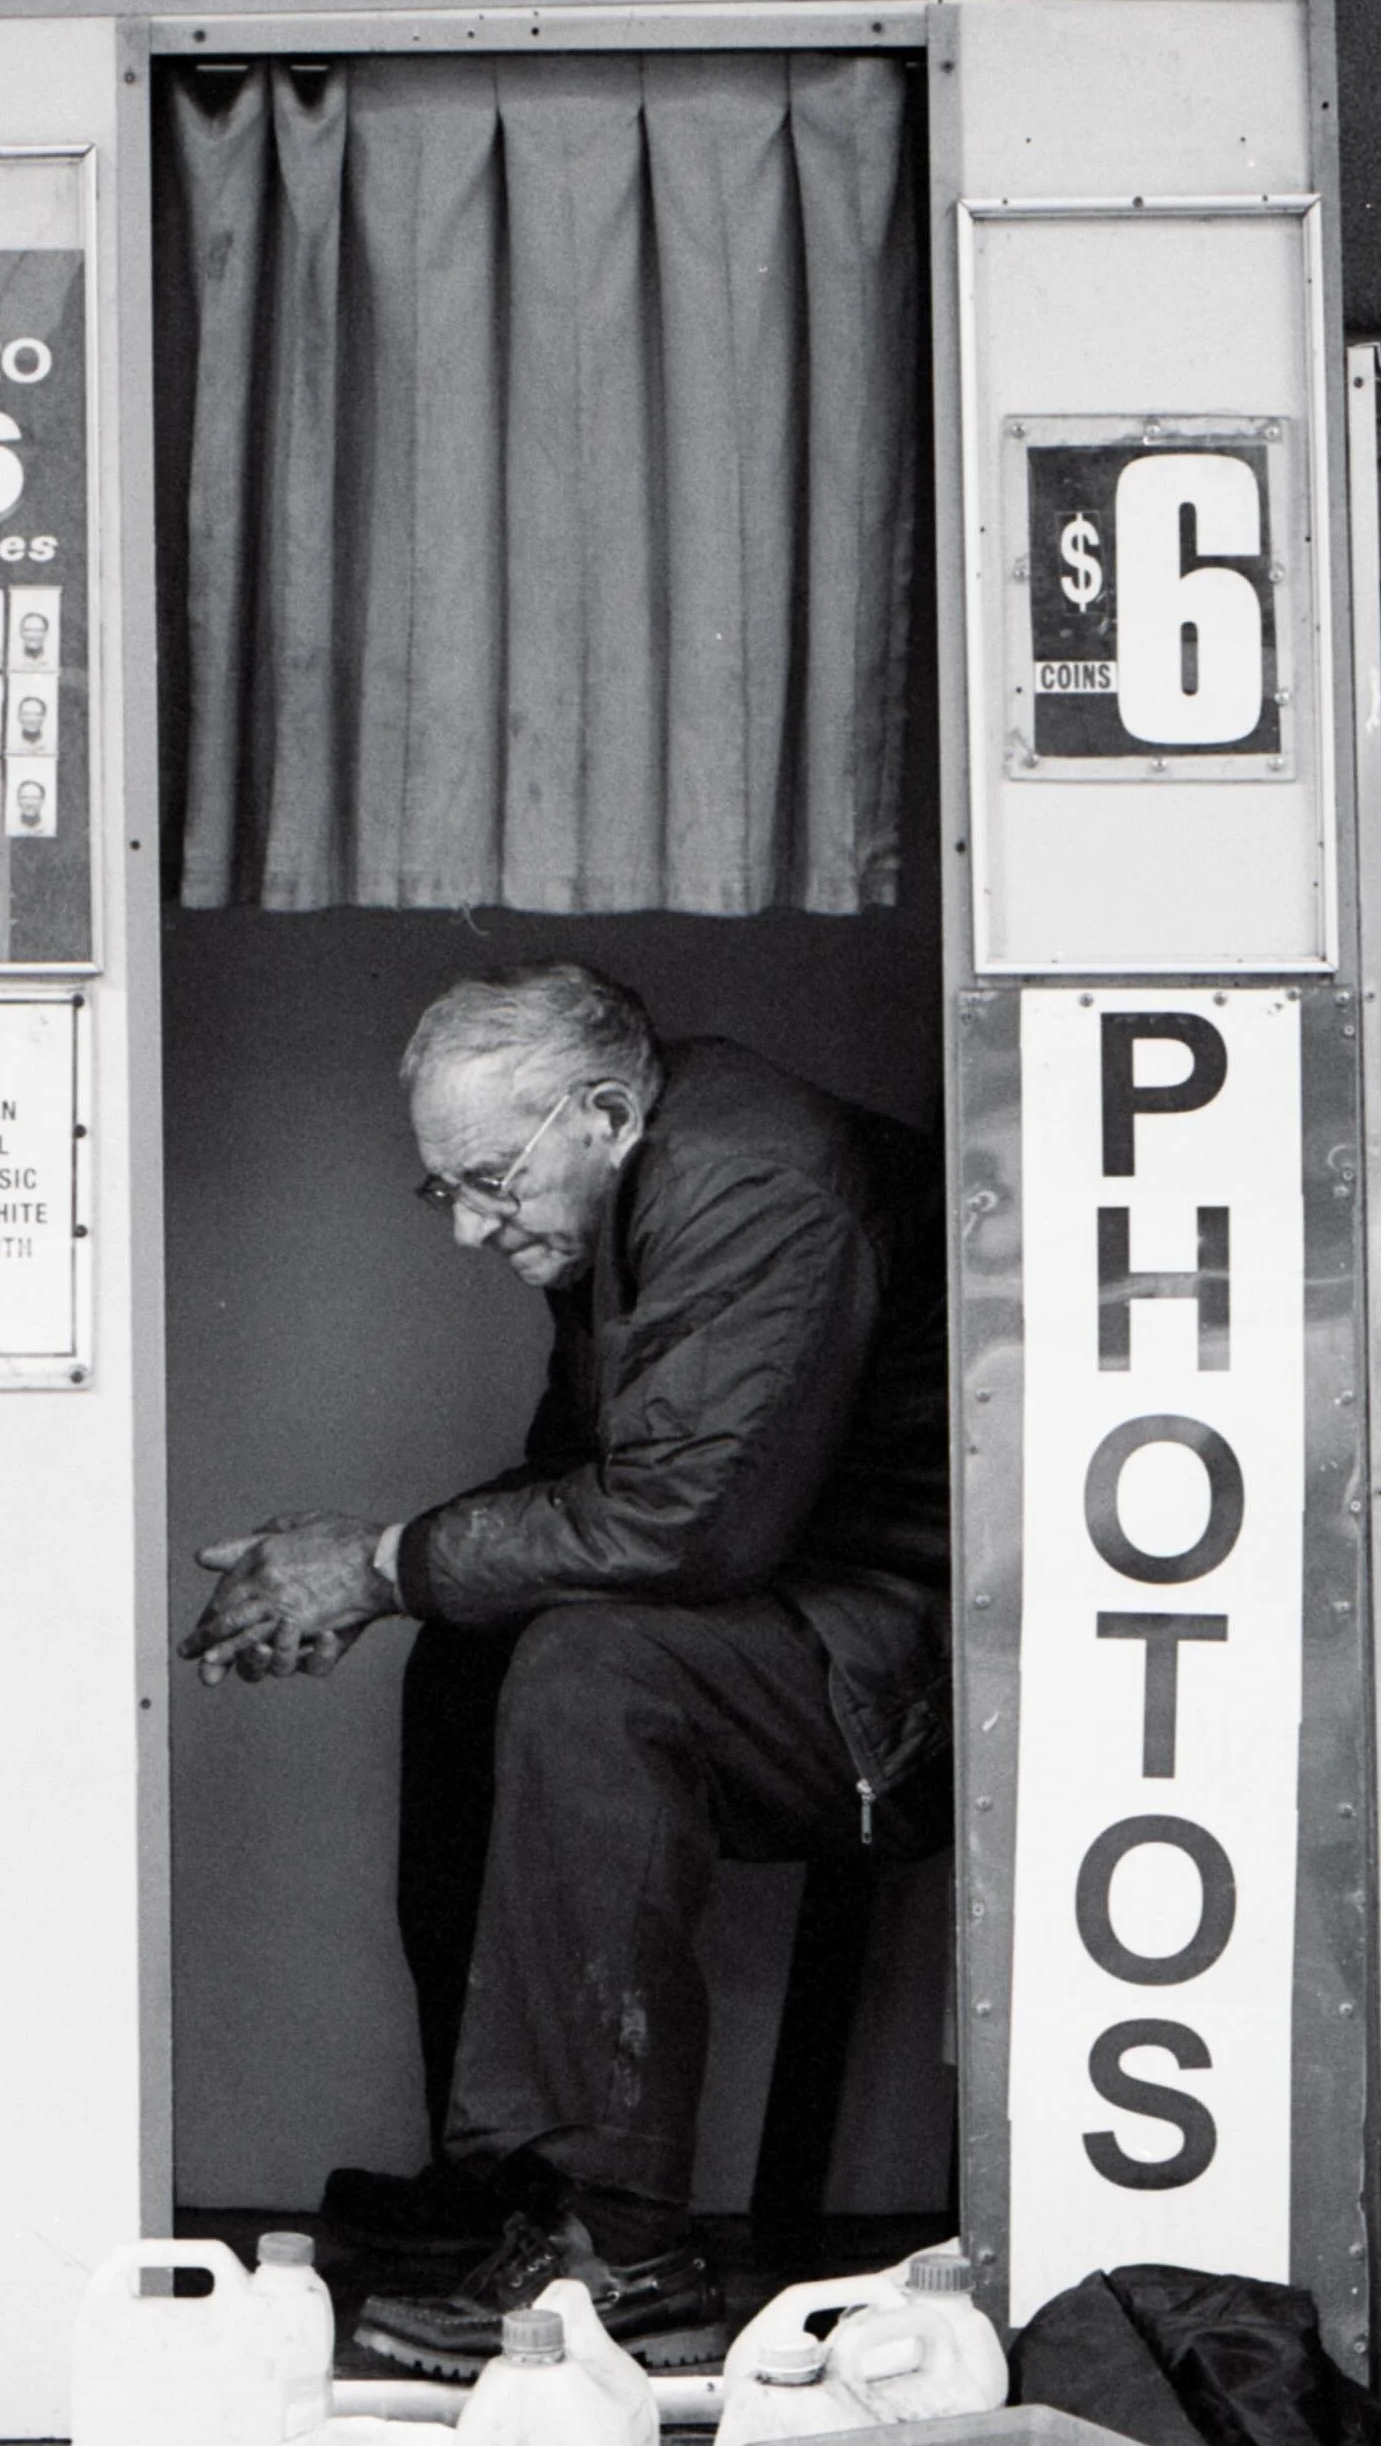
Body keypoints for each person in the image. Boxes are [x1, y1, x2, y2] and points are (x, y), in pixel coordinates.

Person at [180, 962, 950, 2374]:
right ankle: (510, 2187)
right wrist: (373, 1573)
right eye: (445, 1190)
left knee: (593, 1672)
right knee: (472, 1663)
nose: (468, 1225)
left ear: (600, 1112)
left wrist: (377, 1564)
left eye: (486, 1180)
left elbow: (684, 1522)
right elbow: (577, 1485)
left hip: (902, 1669)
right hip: (795, 1610)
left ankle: (626, 2250)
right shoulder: (626, 1183)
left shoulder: (750, 1189)